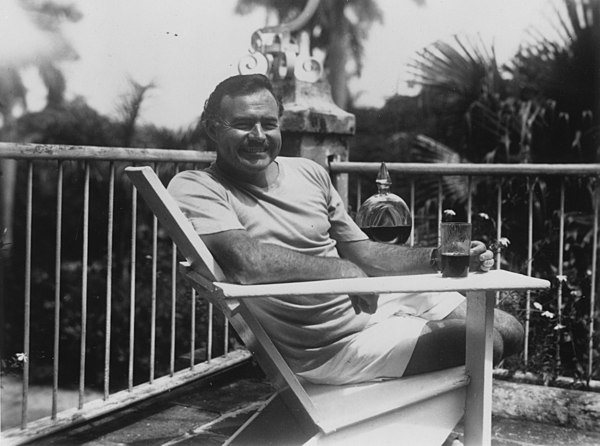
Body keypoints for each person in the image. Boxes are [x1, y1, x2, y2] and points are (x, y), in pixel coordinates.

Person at [167, 74, 524, 385]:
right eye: (243, 124)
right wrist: (344, 271)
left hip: (366, 300)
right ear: (213, 129)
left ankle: (423, 409)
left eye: (268, 123)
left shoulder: (309, 172)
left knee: (511, 329)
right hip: (328, 345)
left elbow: (365, 252)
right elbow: (249, 264)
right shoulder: (196, 186)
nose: (258, 136)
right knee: (486, 342)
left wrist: (440, 258)